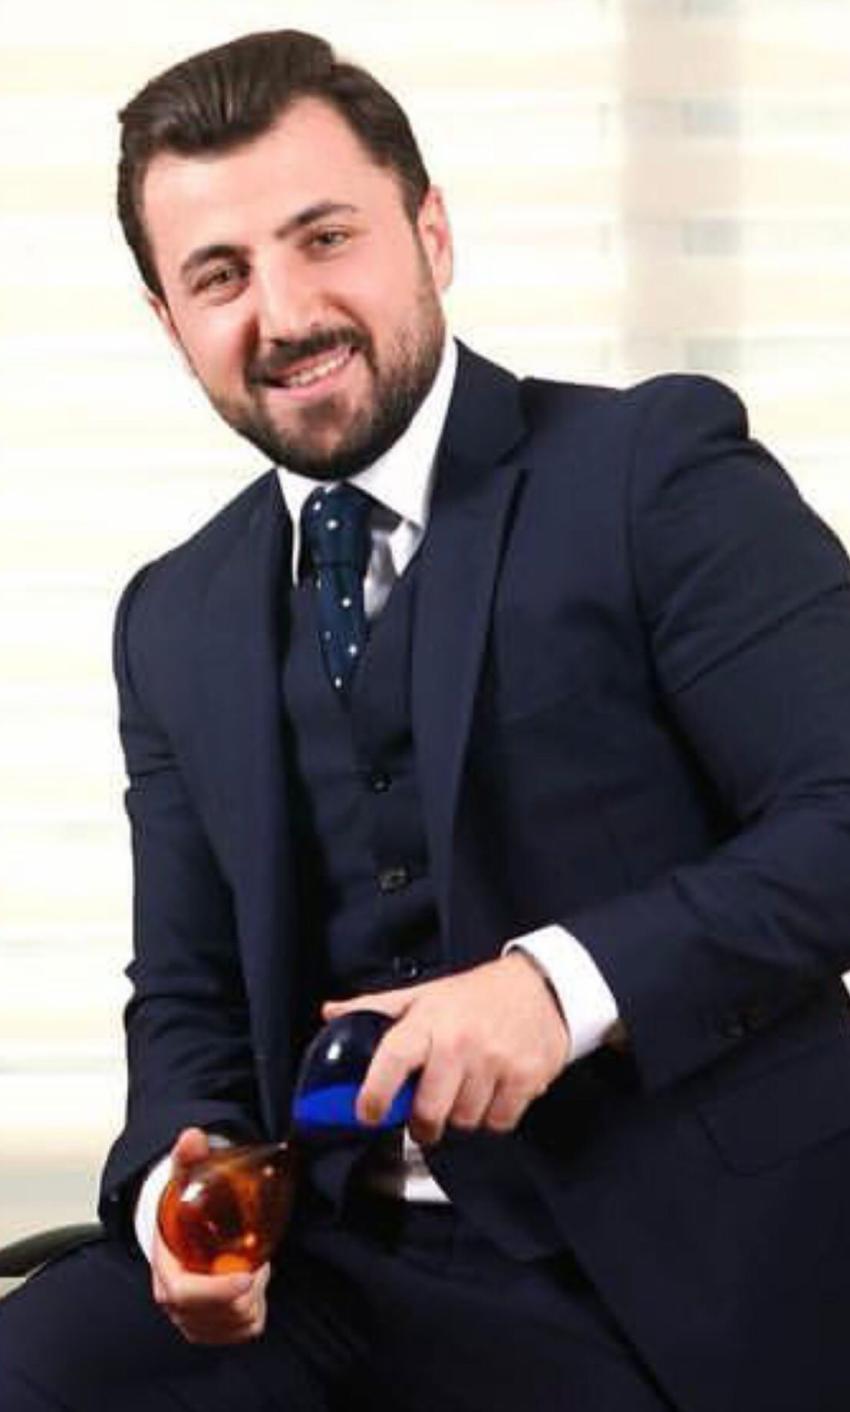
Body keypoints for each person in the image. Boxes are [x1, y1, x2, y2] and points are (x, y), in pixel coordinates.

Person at [2, 27, 850, 1412]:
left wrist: (557, 991)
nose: (284, 313)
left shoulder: (650, 473)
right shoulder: (172, 615)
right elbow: (190, 998)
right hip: (328, 1263)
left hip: (662, 1277)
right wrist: (176, 1197)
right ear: (170, 321)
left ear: (431, 234)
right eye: (219, 275)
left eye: (324, 237)